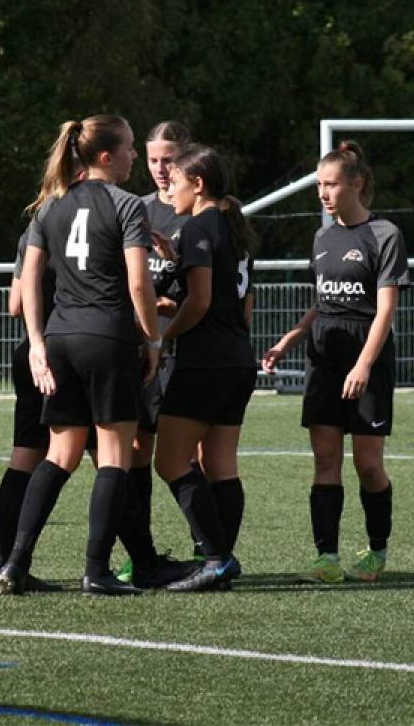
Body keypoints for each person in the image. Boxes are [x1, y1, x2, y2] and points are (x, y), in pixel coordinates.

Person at [0, 114, 162, 596]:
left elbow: (28, 280)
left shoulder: (51, 205)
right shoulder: (127, 204)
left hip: (61, 338)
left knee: (59, 454)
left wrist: (38, 345)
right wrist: (151, 340)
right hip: (108, 337)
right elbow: (137, 282)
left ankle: (15, 562)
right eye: (130, 147)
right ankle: (96, 570)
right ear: (106, 156)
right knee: (114, 456)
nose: (134, 155)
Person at [262, 140, 409, 584]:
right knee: (325, 460)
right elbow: (322, 301)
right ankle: (326, 557)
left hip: (368, 356)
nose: (323, 193)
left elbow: (384, 310)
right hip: (323, 358)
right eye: (319, 185)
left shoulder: (386, 235)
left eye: (330, 184)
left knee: (367, 464)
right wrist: (292, 336)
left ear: (357, 184)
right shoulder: (322, 237)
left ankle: (377, 549)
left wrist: (364, 365)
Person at [153, 144, 257, 591]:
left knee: (170, 460)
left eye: (174, 182)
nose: (168, 189)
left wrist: (164, 337)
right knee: (220, 463)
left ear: (197, 185)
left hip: (206, 363)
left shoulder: (197, 225)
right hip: (237, 358)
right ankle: (221, 560)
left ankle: (215, 557)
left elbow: (198, 300)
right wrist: (177, 260)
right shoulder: (233, 227)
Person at [115, 120, 197, 588]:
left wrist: (177, 304)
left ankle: (207, 546)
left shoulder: (202, 212)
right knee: (138, 448)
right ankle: (139, 552)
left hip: (186, 349)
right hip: (145, 350)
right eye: (152, 160)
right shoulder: (137, 210)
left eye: (169, 160)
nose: (161, 170)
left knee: (196, 452)